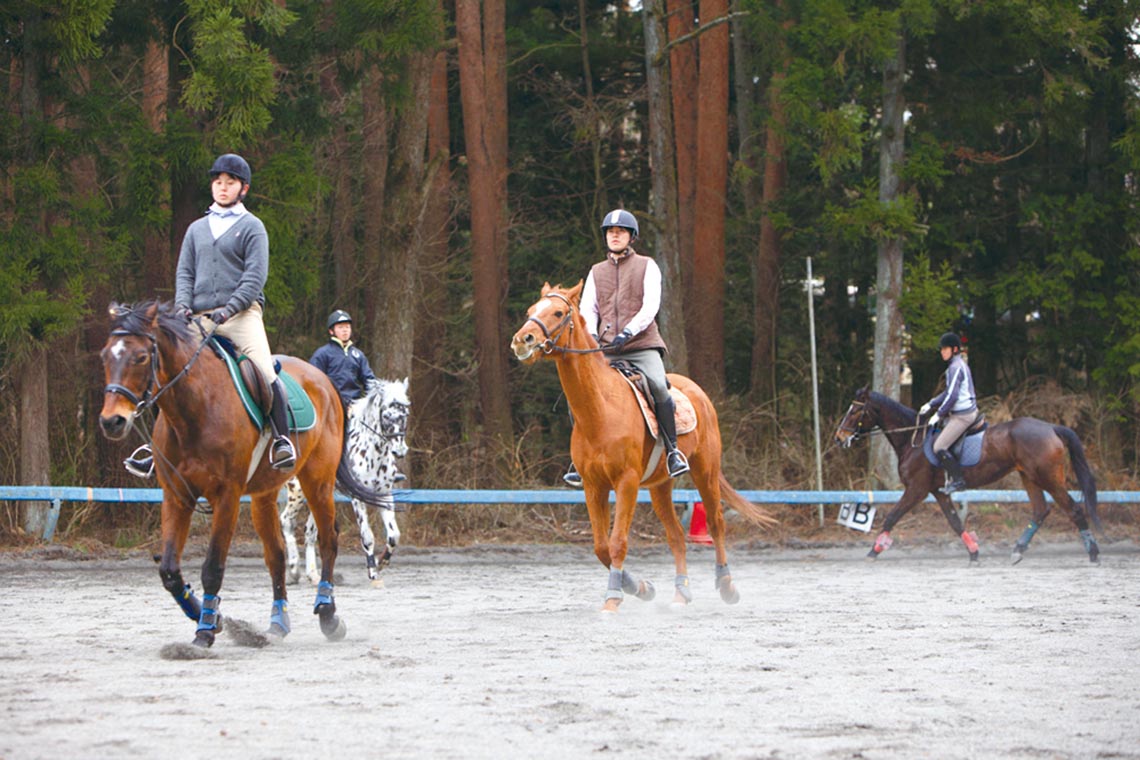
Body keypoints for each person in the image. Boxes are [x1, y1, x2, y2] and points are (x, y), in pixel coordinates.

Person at [126, 153, 295, 477]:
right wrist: (183, 308)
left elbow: (254, 277)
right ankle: (154, 448)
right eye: (218, 182)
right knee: (165, 368)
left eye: (229, 182)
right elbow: (185, 274)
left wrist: (230, 309)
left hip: (242, 315)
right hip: (198, 316)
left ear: (243, 188)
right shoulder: (196, 229)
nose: (222, 187)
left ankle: (281, 440)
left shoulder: (252, 227)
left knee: (264, 369)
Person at [563, 209, 689, 487]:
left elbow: (650, 306)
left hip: (641, 345)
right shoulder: (596, 271)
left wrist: (629, 332)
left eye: (620, 231)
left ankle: (673, 452)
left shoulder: (647, 266)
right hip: (606, 348)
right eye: (610, 231)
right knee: (580, 393)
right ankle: (577, 459)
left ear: (632, 237)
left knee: (657, 385)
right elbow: (588, 309)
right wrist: (593, 338)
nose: (615, 235)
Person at [919, 331, 978, 494]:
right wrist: (931, 404)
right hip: (958, 413)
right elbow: (947, 393)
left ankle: (958, 480)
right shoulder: (954, 367)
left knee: (939, 446)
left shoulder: (956, 368)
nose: (942, 352)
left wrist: (938, 414)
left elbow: (952, 397)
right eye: (942, 349)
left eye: (945, 349)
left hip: (963, 416)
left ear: (954, 350)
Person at [309, 310, 377, 410]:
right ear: (331, 331)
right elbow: (313, 381)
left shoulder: (358, 355)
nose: (345, 330)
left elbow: (369, 380)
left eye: (347, 327)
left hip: (355, 405)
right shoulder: (322, 354)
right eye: (340, 327)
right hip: (331, 405)